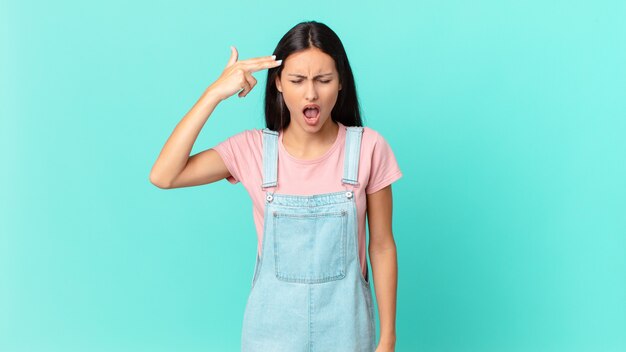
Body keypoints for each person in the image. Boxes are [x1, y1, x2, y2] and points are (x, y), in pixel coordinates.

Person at [150, 20, 401, 352]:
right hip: (270, 335)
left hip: (348, 332)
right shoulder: (252, 150)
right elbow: (164, 175)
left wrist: (387, 338)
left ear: (341, 82)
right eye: (297, 80)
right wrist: (213, 94)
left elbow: (381, 246)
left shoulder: (369, 147)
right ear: (278, 83)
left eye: (323, 80)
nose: (311, 93)